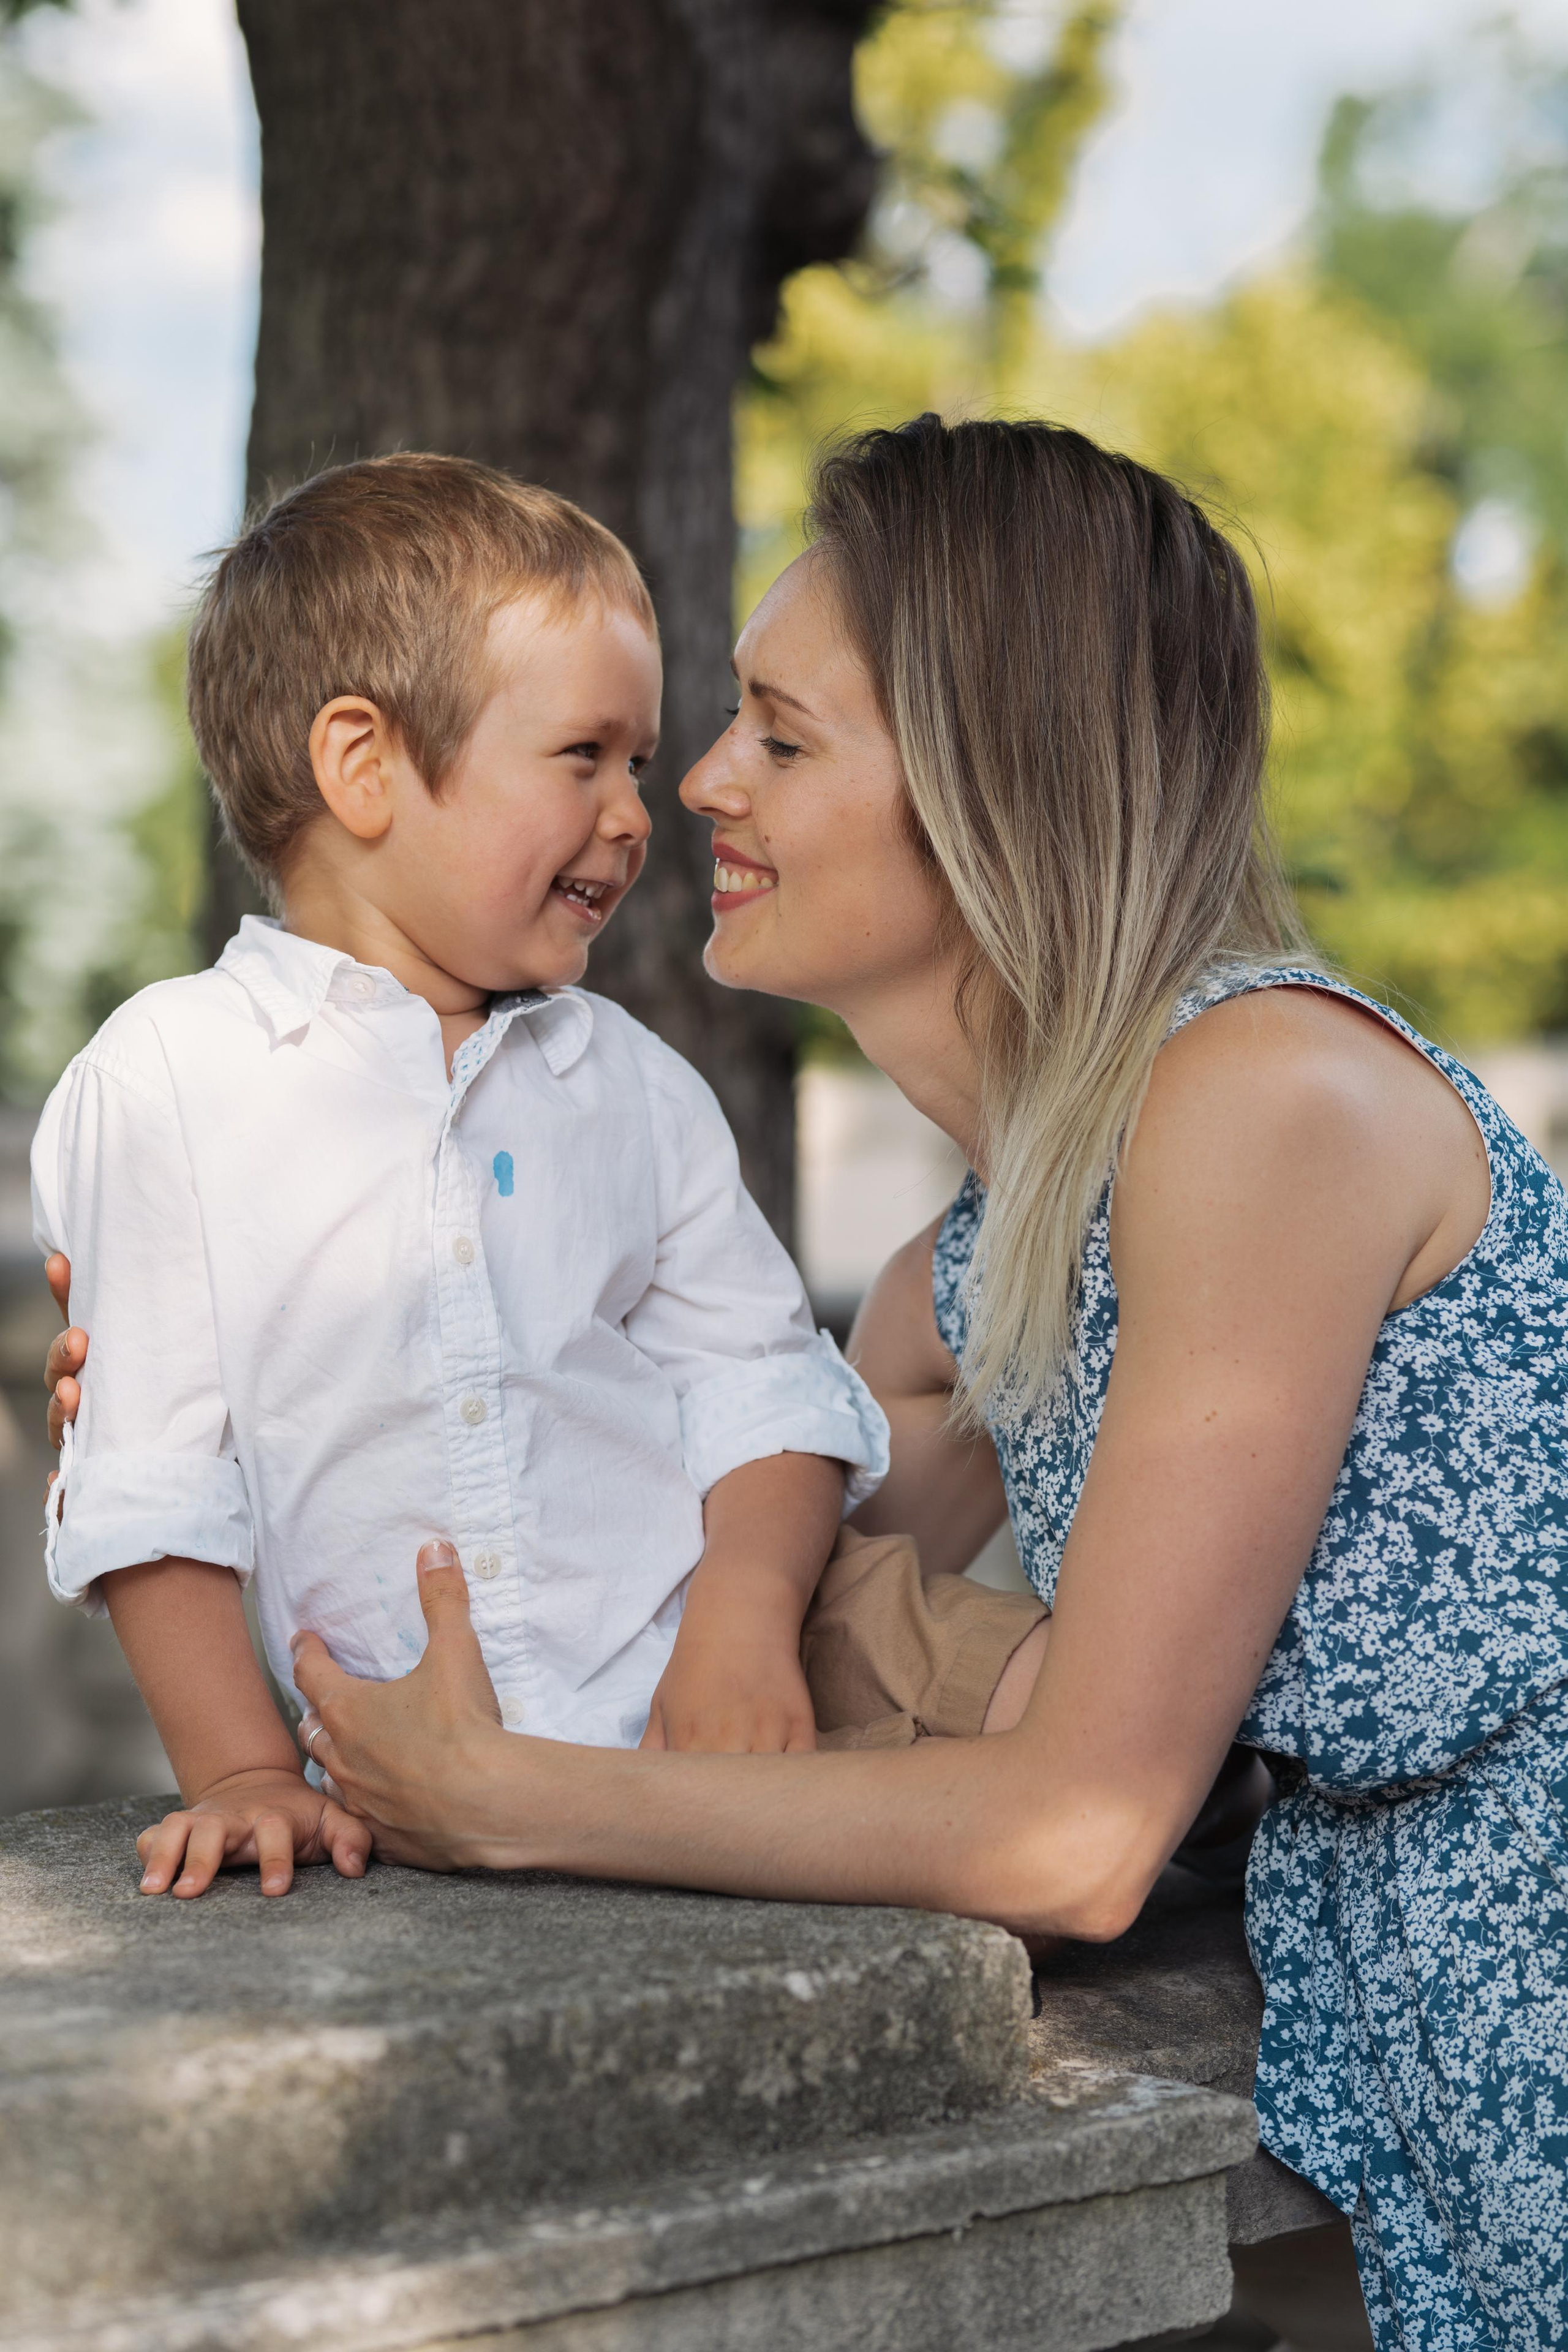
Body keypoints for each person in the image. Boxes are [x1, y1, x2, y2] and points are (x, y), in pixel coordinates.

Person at [48, 415, 1568, 2351]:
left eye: (779, 730)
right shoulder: (1002, 1240)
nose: (692, 783)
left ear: (992, 774)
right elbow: (768, 1601)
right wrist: (251, 1347)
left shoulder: (1261, 1103)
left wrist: (507, 1797)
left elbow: (1073, 1830)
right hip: (1430, 2011)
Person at [29, 452, 894, 1907]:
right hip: (412, 1791)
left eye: (635, 761)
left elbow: (762, 1383)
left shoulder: (627, 1087)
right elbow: (151, 1471)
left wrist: (741, 1630)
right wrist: (241, 1774)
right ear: (363, 765)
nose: (635, 811)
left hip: (723, 1726)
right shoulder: (166, 1080)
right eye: (583, 755)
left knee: (1046, 1694)